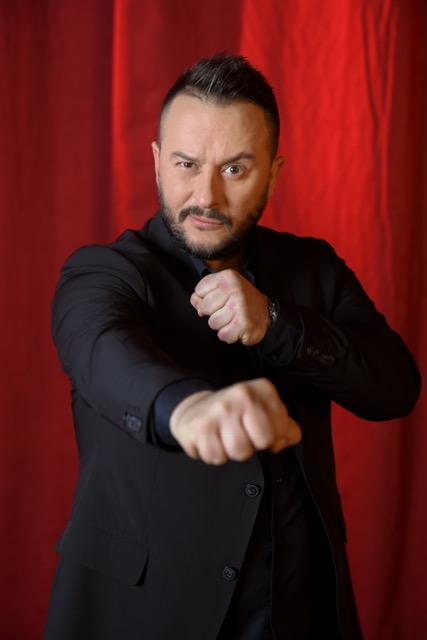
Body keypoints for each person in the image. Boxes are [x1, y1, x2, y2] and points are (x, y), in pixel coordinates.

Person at [44, 53, 421, 640]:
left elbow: (395, 386)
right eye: (186, 164)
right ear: (156, 161)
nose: (206, 194)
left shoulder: (315, 269)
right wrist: (187, 409)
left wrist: (275, 322)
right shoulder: (104, 271)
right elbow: (100, 346)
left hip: (298, 615)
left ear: (273, 172)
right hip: (144, 616)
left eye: (235, 169)